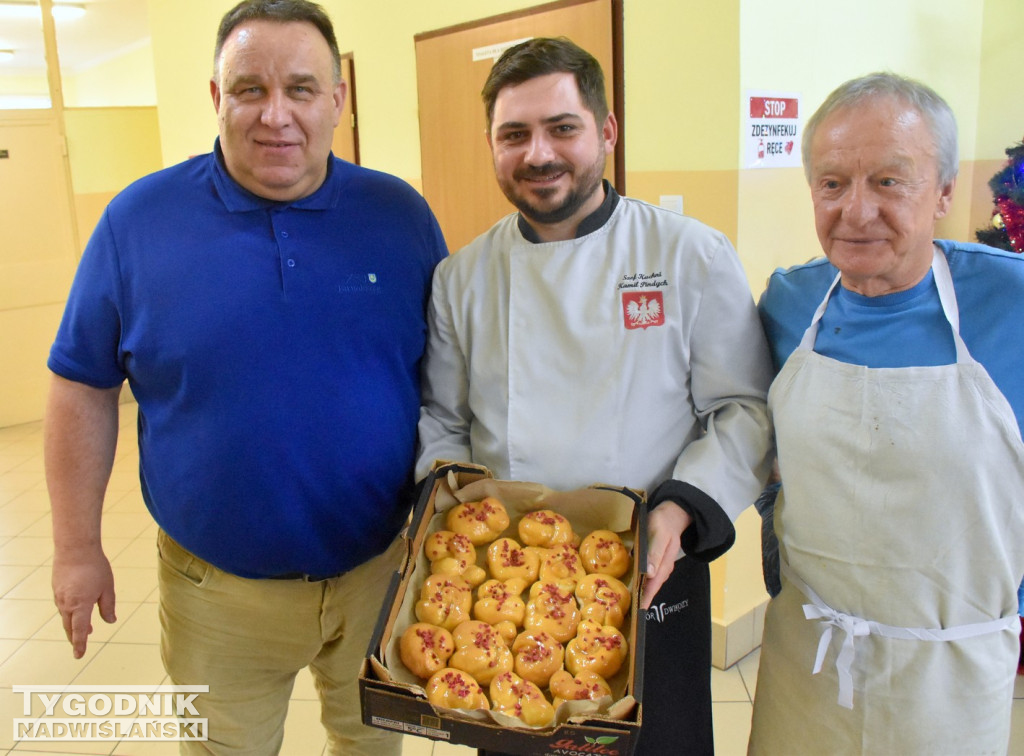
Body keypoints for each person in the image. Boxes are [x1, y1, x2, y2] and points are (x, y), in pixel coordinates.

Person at [44, 1, 447, 753]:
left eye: (300, 88)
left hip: (380, 576)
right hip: (217, 597)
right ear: (216, 98)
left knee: (371, 745)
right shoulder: (137, 223)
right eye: (249, 89)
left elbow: (446, 378)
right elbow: (81, 384)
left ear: (337, 100)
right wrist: (76, 547)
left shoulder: (401, 217)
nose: (276, 116)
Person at [416, 37, 773, 754]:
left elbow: (743, 409)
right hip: (509, 588)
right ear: (492, 144)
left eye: (563, 128)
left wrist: (680, 508)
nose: (538, 154)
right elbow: (443, 419)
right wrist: (447, 501)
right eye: (514, 134)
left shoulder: (687, 254)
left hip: (647, 568)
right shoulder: (463, 277)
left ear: (606, 132)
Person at [750, 72, 1024, 754]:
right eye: (833, 183)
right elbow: (756, 448)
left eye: (890, 182)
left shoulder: (1010, 305)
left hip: (951, 677)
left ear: (946, 192)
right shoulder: (787, 303)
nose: (856, 211)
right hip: (807, 662)